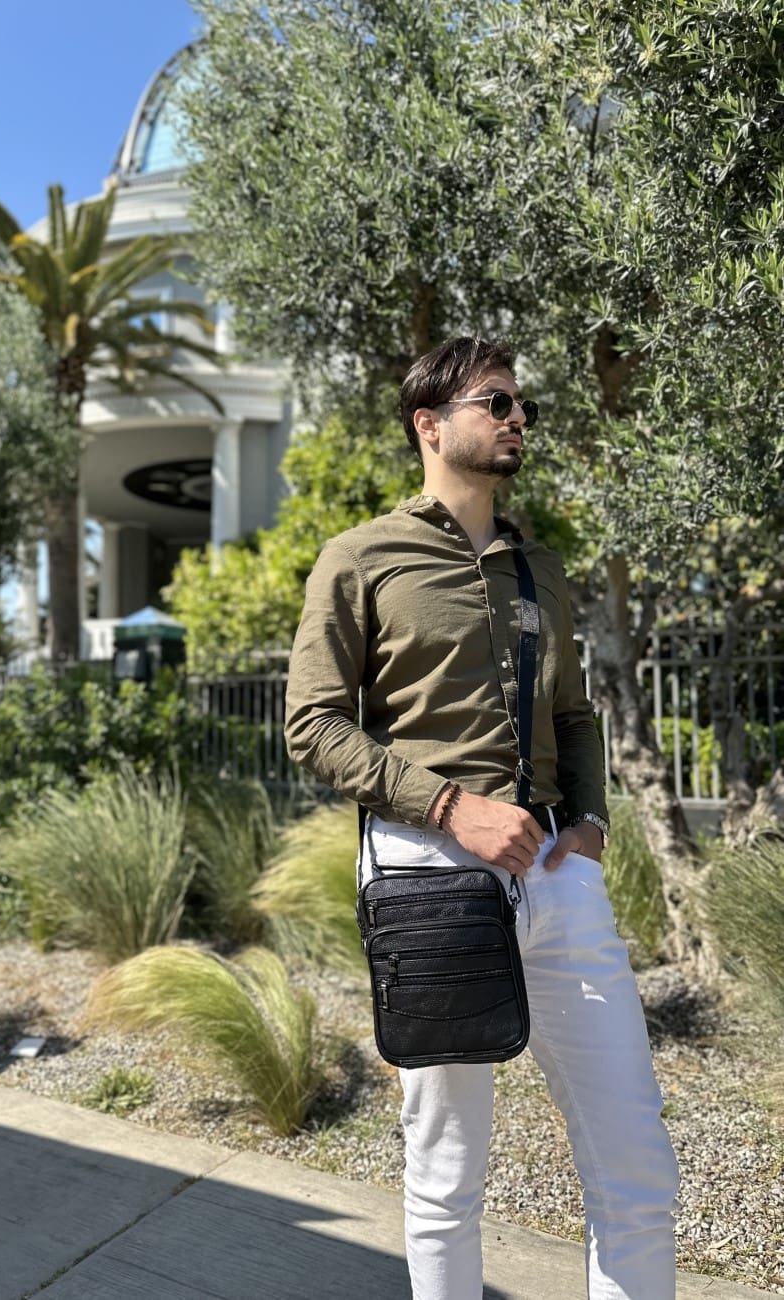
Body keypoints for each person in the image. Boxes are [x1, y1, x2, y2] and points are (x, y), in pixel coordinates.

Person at [283, 337, 679, 1300]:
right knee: (447, 1171)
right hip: (429, 874)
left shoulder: (540, 566)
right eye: (495, 402)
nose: (517, 419)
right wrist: (450, 807)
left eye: (520, 405)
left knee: (636, 1161)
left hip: (557, 872)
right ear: (429, 423)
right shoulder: (360, 558)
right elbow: (311, 725)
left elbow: (573, 715)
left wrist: (588, 823)